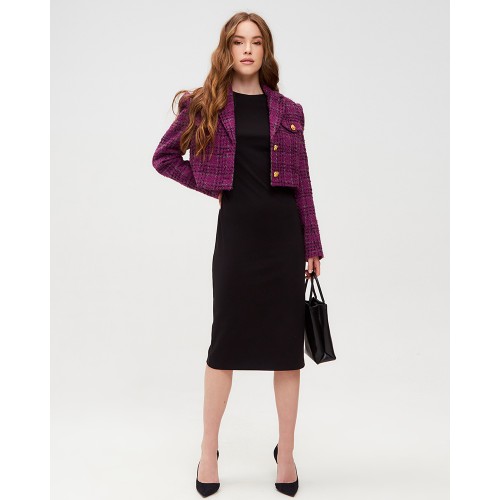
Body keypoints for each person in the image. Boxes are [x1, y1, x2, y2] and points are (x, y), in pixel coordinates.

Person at [152, 12, 324, 497]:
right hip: (237, 240)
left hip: (283, 239)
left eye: (255, 42)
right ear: (226, 49)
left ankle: (286, 453)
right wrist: (213, 185)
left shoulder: (289, 109)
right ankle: (208, 450)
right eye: (237, 42)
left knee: (286, 352)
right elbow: (164, 158)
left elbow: (303, 183)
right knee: (223, 347)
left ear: (266, 50)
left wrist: (312, 243)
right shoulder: (204, 104)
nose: (247, 50)